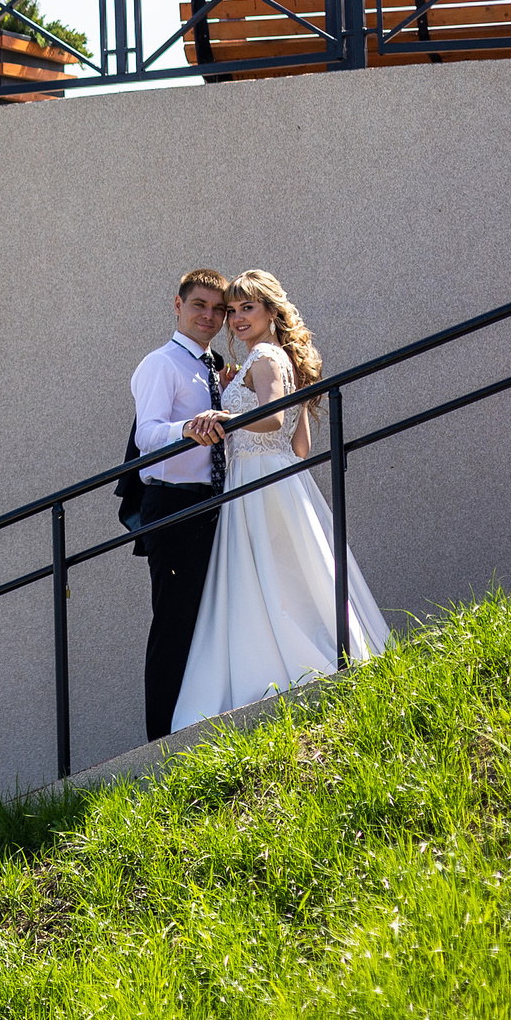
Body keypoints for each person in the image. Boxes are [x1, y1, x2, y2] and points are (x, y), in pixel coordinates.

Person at [172, 271, 391, 730]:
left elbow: (272, 420)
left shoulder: (266, 357)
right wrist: (239, 391)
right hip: (280, 475)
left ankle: (279, 669)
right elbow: (301, 446)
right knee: (289, 576)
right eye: (232, 310)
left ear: (271, 311)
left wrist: (227, 417)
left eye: (247, 308)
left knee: (265, 577)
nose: (237, 319)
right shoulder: (278, 358)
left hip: (258, 480)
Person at [129, 268, 233, 741]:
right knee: (173, 622)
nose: (209, 316)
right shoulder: (162, 364)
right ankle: (161, 743)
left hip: (214, 505)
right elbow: (147, 435)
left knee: (209, 618)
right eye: (199, 305)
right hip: (173, 506)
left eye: (218, 309)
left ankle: (200, 725)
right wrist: (187, 429)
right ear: (178, 305)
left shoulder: (214, 369)